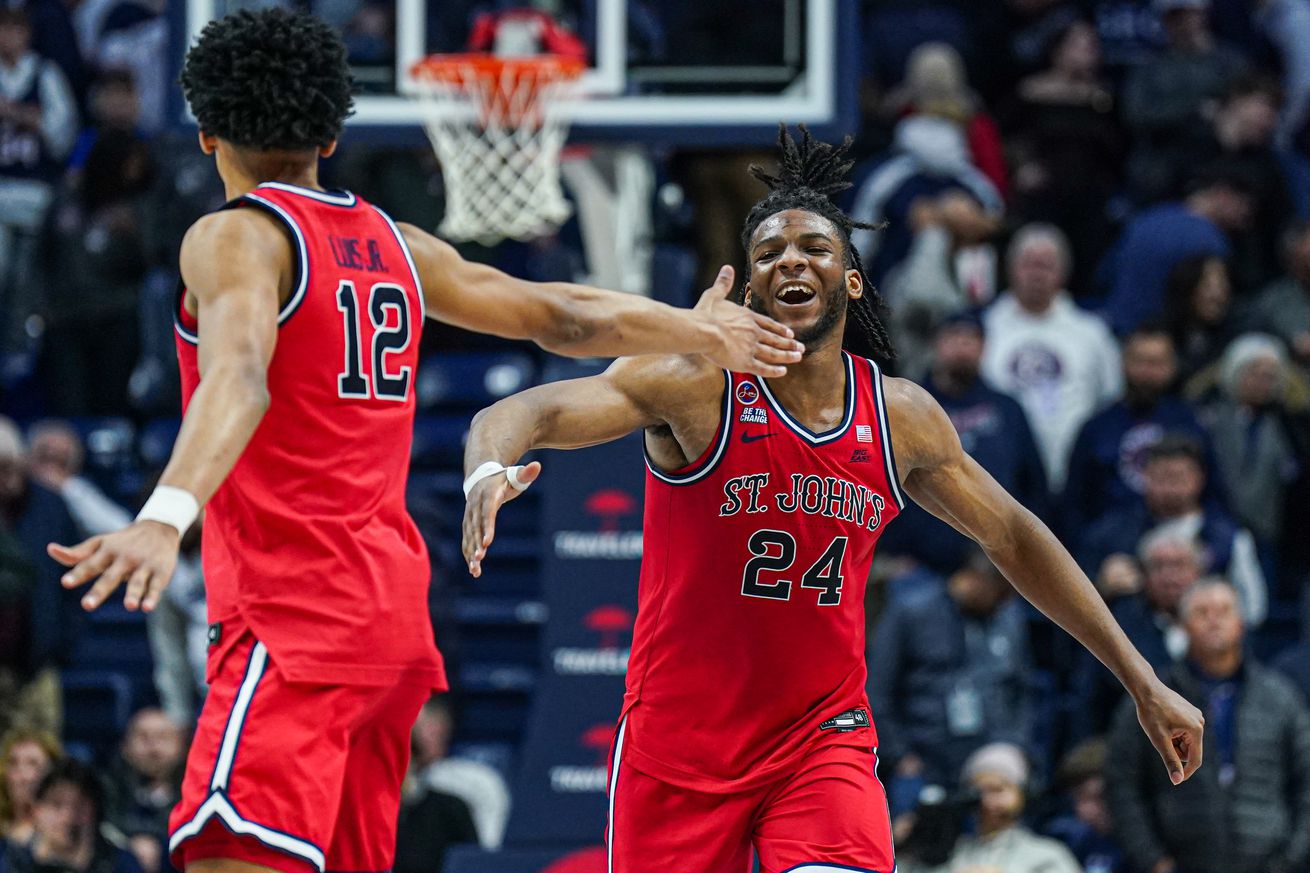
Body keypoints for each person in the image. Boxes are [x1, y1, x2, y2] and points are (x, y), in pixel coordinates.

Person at [45, 11, 804, 873]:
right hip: (389, 629)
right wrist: (699, 330)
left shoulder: (234, 235)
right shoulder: (393, 243)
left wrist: (162, 514)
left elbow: (241, 377)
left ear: (207, 127)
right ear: (332, 133)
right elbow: (558, 312)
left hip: (294, 619)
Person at [461, 126, 1203, 872]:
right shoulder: (694, 381)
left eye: (815, 248)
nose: (792, 259)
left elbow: (1012, 534)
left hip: (821, 741)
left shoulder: (899, 416)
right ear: (749, 288)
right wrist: (487, 467)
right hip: (680, 744)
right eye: (770, 252)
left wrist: (1142, 679)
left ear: (850, 279)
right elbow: (534, 410)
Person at [1107, 580, 1310, 873]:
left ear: (1241, 624)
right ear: (1182, 625)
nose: (1214, 620)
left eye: (1224, 611)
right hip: (1180, 858)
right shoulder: (1155, 699)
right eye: (1202, 612)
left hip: (1268, 860)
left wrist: (1291, 860)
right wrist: (1153, 861)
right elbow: (1122, 782)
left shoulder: (1281, 698)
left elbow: (1306, 781)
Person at [877, 312, 1049, 573]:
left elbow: (1034, 485)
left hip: (997, 568)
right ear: (936, 343)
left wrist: (1022, 556)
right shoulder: (904, 407)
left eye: (971, 339)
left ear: (984, 348)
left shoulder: (1007, 409)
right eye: (953, 337)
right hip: (917, 565)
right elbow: (879, 480)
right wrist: (892, 550)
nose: (962, 346)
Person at [868, 549, 1033, 808]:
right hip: (923, 757)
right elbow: (877, 690)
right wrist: (899, 755)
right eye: (1000, 592)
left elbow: (1022, 690)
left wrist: (1016, 743)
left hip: (988, 756)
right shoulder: (912, 611)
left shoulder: (1007, 618)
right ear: (974, 578)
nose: (1005, 602)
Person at [980, 223, 1123, 491]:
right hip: (998, 478)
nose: (1037, 274)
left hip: (1075, 476)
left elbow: (1111, 398)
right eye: (1029, 264)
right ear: (1011, 269)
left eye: (1046, 265)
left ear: (1063, 273)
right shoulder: (986, 327)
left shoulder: (1092, 332)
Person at [1063, 322, 1214, 536]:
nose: (1147, 372)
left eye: (1156, 363)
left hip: (1182, 548)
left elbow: (1214, 494)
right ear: (1123, 363)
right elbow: (1073, 504)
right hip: (1108, 548)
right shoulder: (1097, 427)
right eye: (1139, 361)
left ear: (1172, 367)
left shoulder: (1189, 423)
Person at [1102, 170, 1252, 335]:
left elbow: (1105, 274)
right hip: (1162, 340)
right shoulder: (1210, 240)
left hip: (1116, 329)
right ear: (1222, 194)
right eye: (1244, 203)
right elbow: (1210, 301)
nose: (1247, 214)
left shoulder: (1146, 218)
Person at [937, 743, 1081, 873]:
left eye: (997, 790)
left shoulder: (1047, 854)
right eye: (978, 793)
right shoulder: (951, 853)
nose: (987, 801)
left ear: (1023, 793)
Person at [0, 759, 144, 873]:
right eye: (56, 805)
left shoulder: (122, 864)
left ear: (95, 812)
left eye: (79, 807)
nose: (67, 817)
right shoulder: (9, 860)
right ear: (37, 810)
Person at [410, 698, 509, 851]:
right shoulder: (380, 783)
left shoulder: (476, 781)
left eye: (432, 727)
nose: (423, 737)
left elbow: (485, 850)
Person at [104, 709, 184, 873]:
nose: (153, 746)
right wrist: (127, 844)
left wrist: (160, 846)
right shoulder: (106, 787)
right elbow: (103, 826)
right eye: (143, 737)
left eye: (163, 737)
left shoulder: (194, 793)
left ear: (180, 747)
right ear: (125, 747)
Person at [0, 730, 61, 844]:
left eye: (33, 764)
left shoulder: (61, 835)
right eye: (13, 763)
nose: (22, 775)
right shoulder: (4, 829)